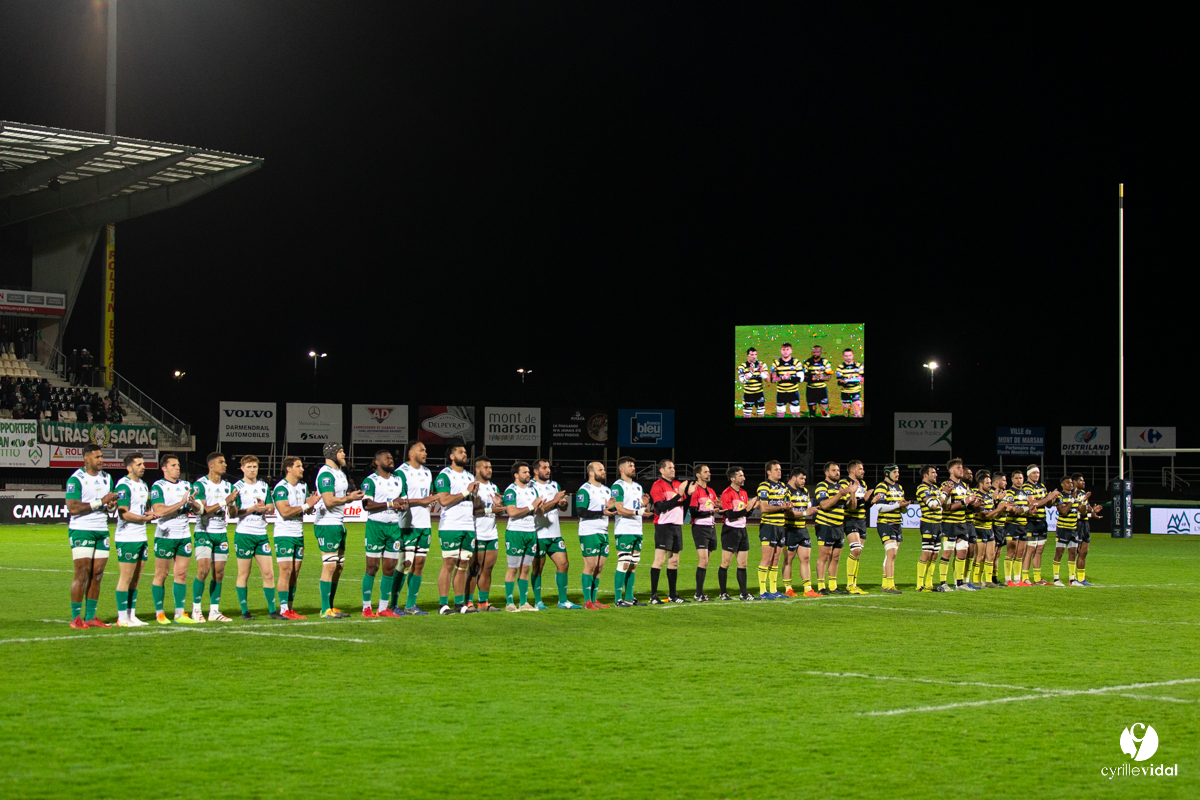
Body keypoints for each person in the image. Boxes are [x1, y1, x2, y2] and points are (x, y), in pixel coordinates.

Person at [64, 443, 118, 628]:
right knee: (82, 573)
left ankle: (90, 616)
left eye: (102, 456)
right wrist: (100, 501)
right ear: (86, 459)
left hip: (101, 530)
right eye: (97, 457)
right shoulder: (76, 479)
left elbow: (108, 504)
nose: (101, 460)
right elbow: (73, 508)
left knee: (98, 574)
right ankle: (75, 618)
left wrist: (110, 506)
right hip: (82, 529)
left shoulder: (107, 478)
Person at [314, 442, 365, 618]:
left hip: (338, 523)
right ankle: (324, 609)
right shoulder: (326, 474)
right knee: (329, 566)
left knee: (338, 567)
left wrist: (351, 497)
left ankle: (330, 606)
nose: (344, 454)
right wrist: (349, 498)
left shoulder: (340, 473)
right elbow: (329, 501)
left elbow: (340, 497)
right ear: (332, 453)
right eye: (341, 451)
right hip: (327, 523)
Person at [149, 453, 199, 624]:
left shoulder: (186, 485)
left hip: (184, 536)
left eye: (178, 465)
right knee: (161, 574)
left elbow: (196, 509)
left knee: (182, 575)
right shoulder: (158, 486)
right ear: (164, 468)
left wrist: (193, 503)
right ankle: (160, 613)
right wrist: (181, 502)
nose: (177, 468)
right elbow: (159, 510)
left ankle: (179, 613)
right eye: (173, 465)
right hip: (165, 535)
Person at [231, 455, 282, 619]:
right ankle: (244, 611)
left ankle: (272, 610)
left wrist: (264, 508)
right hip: (244, 534)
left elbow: (271, 507)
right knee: (243, 574)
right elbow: (233, 513)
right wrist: (252, 509)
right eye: (249, 467)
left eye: (254, 467)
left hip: (261, 534)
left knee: (269, 574)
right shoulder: (237, 487)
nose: (252, 470)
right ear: (242, 468)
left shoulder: (264, 486)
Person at [359, 449, 407, 617]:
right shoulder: (370, 481)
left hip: (393, 527)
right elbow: (367, 505)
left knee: (390, 568)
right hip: (375, 527)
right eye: (387, 458)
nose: (391, 460)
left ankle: (383, 608)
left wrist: (402, 505)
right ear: (377, 462)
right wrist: (390, 504)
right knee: (372, 567)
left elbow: (404, 501)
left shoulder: (398, 480)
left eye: (391, 458)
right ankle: (366, 607)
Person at [433, 445, 480, 615]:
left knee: (463, 564)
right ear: (452, 456)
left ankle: (459, 604)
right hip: (451, 526)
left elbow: (474, 503)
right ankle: (443, 604)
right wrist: (466, 491)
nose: (464, 454)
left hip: (468, 526)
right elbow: (444, 500)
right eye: (461, 452)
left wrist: (475, 495)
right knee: (449, 564)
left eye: (465, 452)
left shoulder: (469, 476)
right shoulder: (444, 475)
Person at [393, 441, 437, 615]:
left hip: (425, 524)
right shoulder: (401, 472)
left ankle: (410, 605)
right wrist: (423, 500)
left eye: (425, 450)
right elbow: (400, 501)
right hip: (408, 525)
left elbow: (429, 494)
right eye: (422, 450)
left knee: (419, 564)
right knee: (405, 564)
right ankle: (393, 605)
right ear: (411, 453)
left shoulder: (427, 472)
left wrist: (431, 498)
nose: (425, 453)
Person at [191, 452, 236, 622]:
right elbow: (203, 510)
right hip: (204, 531)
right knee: (203, 570)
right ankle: (196, 609)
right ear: (211, 465)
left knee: (219, 573)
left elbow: (232, 514)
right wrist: (225, 501)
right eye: (221, 462)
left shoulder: (228, 486)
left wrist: (232, 503)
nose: (225, 465)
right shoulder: (200, 485)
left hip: (221, 532)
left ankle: (214, 611)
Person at [529, 459, 580, 610]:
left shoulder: (554, 485)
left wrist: (562, 504)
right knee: (538, 567)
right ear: (536, 471)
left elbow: (561, 508)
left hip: (555, 534)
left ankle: (563, 601)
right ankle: (538, 601)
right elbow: (537, 510)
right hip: (538, 533)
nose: (548, 470)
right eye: (544, 468)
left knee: (564, 564)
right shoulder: (530, 487)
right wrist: (554, 500)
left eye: (548, 467)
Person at [273, 456, 320, 619]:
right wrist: (307, 504)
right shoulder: (281, 488)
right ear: (289, 469)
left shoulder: (303, 486)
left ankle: (290, 608)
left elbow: (306, 509)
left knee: (295, 572)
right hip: (284, 534)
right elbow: (285, 512)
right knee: (285, 571)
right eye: (298, 466)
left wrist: (312, 504)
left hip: (298, 534)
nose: (302, 469)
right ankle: (283, 609)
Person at [113, 452, 157, 626]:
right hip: (127, 537)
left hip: (141, 536)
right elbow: (123, 514)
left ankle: (131, 615)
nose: (143, 467)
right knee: (126, 577)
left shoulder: (144, 485)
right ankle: (122, 617)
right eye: (139, 464)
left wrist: (148, 514)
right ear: (129, 467)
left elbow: (139, 509)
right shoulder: (123, 485)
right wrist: (144, 518)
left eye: (143, 464)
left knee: (136, 578)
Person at [649, 459, 693, 604]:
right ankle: (653, 596)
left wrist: (689, 495)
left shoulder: (677, 484)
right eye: (669, 467)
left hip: (676, 526)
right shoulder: (657, 485)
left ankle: (673, 595)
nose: (673, 470)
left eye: (673, 467)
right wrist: (679, 495)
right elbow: (662, 507)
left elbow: (684, 505)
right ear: (661, 470)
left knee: (674, 561)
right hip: (663, 525)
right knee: (659, 560)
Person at [611, 456, 653, 606]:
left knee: (633, 564)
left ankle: (629, 597)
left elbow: (638, 507)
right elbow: (619, 509)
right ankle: (618, 599)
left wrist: (644, 505)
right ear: (621, 469)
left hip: (637, 529)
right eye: (630, 466)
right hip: (624, 529)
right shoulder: (617, 486)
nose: (633, 468)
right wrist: (638, 512)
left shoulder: (638, 487)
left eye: (634, 466)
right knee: (624, 562)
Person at [575, 461, 615, 609]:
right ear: (591, 473)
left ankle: (594, 599)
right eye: (600, 469)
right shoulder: (585, 490)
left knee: (599, 567)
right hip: (589, 531)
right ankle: (587, 601)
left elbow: (608, 510)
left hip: (603, 531)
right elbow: (581, 511)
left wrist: (611, 509)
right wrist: (602, 512)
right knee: (590, 566)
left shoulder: (607, 490)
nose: (603, 472)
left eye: (604, 469)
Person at [468, 456, 506, 611]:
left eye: (490, 467)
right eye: (486, 467)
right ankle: (468, 602)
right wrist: (491, 509)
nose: (489, 470)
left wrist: (499, 505)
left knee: (487, 569)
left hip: (492, 533)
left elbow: (499, 512)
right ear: (477, 469)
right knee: (474, 569)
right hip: (477, 532)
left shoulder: (493, 487)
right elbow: (470, 510)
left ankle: (483, 603)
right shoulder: (472, 485)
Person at [502, 461, 541, 611]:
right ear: (516, 475)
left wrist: (540, 507)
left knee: (525, 569)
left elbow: (537, 511)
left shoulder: (532, 490)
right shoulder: (511, 490)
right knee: (513, 568)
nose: (528, 474)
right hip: (516, 533)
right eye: (524, 472)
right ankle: (509, 603)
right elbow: (512, 512)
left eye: (528, 472)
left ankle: (523, 603)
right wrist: (532, 506)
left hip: (531, 532)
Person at [813, 461, 855, 594]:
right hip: (825, 525)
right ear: (827, 473)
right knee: (824, 556)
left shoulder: (842, 487)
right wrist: (839, 495)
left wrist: (852, 493)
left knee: (836, 557)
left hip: (839, 526)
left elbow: (852, 507)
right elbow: (824, 505)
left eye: (838, 470)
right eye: (834, 470)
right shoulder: (822, 486)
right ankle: (821, 586)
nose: (837, 473)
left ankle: (833, 586)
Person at [717, 467, 757, 600]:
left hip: (742, 530)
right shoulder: (726, 493)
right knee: (726, 563)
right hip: (730, 530)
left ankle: (744, 594)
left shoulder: (743, 493)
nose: (744, 478)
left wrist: (751, 508)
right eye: (740, 476)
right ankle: (723, 593)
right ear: (732, 479)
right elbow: (730, 515)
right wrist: (747, 509)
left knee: (743, 564)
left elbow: (745, 514)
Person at [870, 464, 909, 594]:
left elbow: (902, 509)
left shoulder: (899, 488)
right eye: (894, 472)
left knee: (891, 555)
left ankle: (885, 584)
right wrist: (898, 504)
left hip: (897, 524)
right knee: (891, 554)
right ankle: (890, 585)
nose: (897, 474)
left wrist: (904, 506)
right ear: (887, 473)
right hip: (885, 523)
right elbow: (880, 507)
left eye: (898, 472)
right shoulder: (882, 486)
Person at [755, 461, 791, 599]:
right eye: (776, 469)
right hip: (768, 525)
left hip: (781, 526)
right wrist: (782, 507)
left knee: (776, 559)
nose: (779, 471)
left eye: (780, 469)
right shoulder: (764, 486)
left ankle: (774, 590)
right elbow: (764, 507)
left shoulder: (783, 487)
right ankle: (763, 591)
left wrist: (789, 505)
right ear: (768, 472)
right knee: (767, 558)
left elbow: (787, 503)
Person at [1019, 465, 1060, 586]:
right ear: (1028, 474)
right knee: (1030, 550)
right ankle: (1025, 577)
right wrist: (1047, 498)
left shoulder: (1042, 486)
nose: (1037, 475)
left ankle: (1037, 578)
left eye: (1038, 473)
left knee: (1039, 550)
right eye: (1034, 473)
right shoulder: (1026, 487)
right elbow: (1032, 503)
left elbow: (1048, 505)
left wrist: (1052, 499)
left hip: (1042, 521)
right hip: (1031, 521)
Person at [781, 467, 819, 597]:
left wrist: (810, 510)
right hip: (789, 529)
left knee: (806, 558)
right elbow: (787, 513)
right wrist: (805, 513)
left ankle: (808, 589)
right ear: (793, 478)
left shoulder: (805, 491)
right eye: (801, 478)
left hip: (802, 528)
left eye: (805, 479)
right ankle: (788, 588)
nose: (804, 481)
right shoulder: (785, 491)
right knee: (788, 559)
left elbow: (807, 507)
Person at [938, 458, 974, 591]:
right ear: (951, 471)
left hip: (962, 523)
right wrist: (964, 502)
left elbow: (968, 503)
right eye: (958, 468)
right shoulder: (946, 485)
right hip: (950, 523)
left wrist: (974, 502)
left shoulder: (964, 486)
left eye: (961, 467)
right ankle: (943, 583)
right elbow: (946, 507)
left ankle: (959, 583)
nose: (961, 470)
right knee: (947, 553)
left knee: (962, 553)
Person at [687, 463, 720, 602]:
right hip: (700, 528)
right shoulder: (695, 490)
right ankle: (698, 593)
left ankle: (700, 592)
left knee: (706, 562)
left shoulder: (711, 491)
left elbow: (716, 505)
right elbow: (693, 512)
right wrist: (710, 511)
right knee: (703, 560)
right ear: (698, 475)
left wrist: (719, 506)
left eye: (709, 471)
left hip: (711, 527)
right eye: (706, 472)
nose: (709, 474)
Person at [969, 470, 1005, 588]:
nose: (990, 485)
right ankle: (976, 580)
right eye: (988, 483)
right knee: (980, 556)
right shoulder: (977, 496)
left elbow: (993, 514)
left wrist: (1001, 510)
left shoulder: (989, 496)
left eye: (990, 482)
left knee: (991, 555)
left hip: (989, 528)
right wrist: (998, 509)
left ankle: (988, 581)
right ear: (981, 484)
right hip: (979, 529)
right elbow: (982, 516)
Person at [1052, 475, 1090, 587]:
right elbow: (1063, 511)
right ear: (1062, 484)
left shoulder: (1076, 496)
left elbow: (1082, 512)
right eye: (1068, 483)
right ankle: (1056, 579)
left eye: (1071, 483)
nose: (1071, 485)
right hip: (1063, 529)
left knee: (1072, 553)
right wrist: (1072, 500)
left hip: (1073, 528)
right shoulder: (1060, 496)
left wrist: (1084, 502)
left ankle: (1072, 580)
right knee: (1059, 553)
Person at [841, 460, 870, 594]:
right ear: (852, 470)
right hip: (850, 519)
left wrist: (870, 501)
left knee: (858, 553)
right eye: (860, 469)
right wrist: (863, 499)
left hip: (861, 520)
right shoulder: (845, 483)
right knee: (855, 550)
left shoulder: (863, 484)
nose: (863, 471)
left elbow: (863, 504)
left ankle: (854, 584)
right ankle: (849, 584)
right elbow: (850, 505)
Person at [914, 465, 943, 592]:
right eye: (933, 472)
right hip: (928, 523)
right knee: (926, 553)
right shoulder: (922, 488)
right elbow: (932, 505)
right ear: (926, 475)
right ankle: (920, 584)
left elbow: (942, 503)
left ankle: (929, 584)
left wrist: (946, 493)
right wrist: (944, 494)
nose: (936, 475)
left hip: (938, 523)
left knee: (935, 554)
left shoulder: (935, 488)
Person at [1005, 469, 1031, 586]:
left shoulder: (1024, 494)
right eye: (1016, 478)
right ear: (1012, 480)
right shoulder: (1010, 492)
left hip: (1023, 525)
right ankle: (1008, 579)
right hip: (1012, 525)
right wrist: (1026, 509)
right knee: (1011, 552)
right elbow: (1012, 511)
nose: (1019, 480)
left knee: (1020, 553)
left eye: (1020, 478)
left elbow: (1025, 510)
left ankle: (1017, 579)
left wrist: (1029, 511)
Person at [1073, 473, 1098, 586]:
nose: (1083, 482)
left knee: (1084, 552)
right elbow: (1079, 510)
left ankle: (1082, 578)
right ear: (1074, 482)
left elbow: (1087, 509)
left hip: (1085, 524)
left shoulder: (1083, 494)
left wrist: (1093, 511)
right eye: (1081, 480)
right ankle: (1072, 577)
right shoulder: (1072, 494)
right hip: (1076, 524)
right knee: (1075, 552)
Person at [769, 342, 802, 418]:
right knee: (780, 415)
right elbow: (773, 380)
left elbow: (800, 379)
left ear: (791, 351)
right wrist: (782, 378)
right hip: (781, 393)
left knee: (796, 414)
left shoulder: (796, 362)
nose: (785, 351)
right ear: (781, 351)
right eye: (783, 350)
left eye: (787, 349)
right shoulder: (776, 363)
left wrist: (790, 378)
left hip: (793, 392)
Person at [989, 472, 1010, 586]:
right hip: (994, 525)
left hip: (1002, 526)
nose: (1006, 483)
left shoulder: (1002, 493)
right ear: (997, 481)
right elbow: (993, 510)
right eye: (1004, 480)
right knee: (992, 554)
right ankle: (989, 578)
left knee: (997, 554)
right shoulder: (992, 492)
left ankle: (995, 577)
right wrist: (999, 503)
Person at [801, 345, 835, 418]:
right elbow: (803, 377)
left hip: (821, 389)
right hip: (811, 390)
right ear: (811, 352)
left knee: (825, 413)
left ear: (820, 352)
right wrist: (812, 379)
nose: (815, 354)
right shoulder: (807, 363)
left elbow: (829, 377)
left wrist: (822, 378)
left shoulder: (825, 362)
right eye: (814, 352)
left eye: (817, 352)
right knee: (812, 414)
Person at [737, 347, 769, 418]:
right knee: (747, 417)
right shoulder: (742, 366)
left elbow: (768, 380)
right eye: (752, 355)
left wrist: (761, 372)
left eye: (755, 354)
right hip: (748, 395)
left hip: (759, 394)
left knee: (761, 416)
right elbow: (742, 380)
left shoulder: (762, 365)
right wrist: (751, 373)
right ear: (747, 356)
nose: (754, 356)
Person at [835, 348, 864, 417]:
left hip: (856, 392)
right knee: (846, 415)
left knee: (858, 414)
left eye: (850, 355)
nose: (848, 357)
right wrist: (845, 381)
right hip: (845, 392)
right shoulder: (840, 367)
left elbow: (862, 379)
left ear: (853, 355)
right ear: (843, 356)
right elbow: (839, 382)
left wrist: (860, 379)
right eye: (846, 356)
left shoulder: (859, 366)